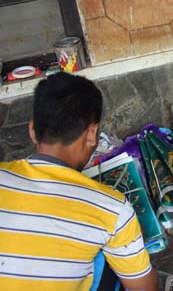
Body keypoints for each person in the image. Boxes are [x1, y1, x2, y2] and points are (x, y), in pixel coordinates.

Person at [0, 72, 158, 290]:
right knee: (108, 257)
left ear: (32, 130)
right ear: (92, 133)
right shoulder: (111, 209)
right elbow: (145, 287)